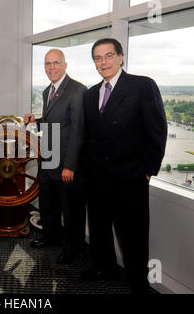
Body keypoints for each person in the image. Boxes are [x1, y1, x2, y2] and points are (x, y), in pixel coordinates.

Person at [82, 38, 167, 293]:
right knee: (99, 230)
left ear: (121, 57)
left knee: (133, 237)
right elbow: (88, 137)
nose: (103, 62)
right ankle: (104, 267)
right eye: (98, 58)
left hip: (130, 179)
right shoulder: (89, 94)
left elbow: (157, 131)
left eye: (109, 55)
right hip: (97, 178)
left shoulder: (142, 86)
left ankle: (139, 285)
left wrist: (148, 171)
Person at [24, 49, 87, 264]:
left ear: (65, 65)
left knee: (71, 210)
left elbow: (79, 130)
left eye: (56, 63)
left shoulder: (78, 90)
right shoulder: (46, 91)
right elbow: (56, 122)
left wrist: (70, 166)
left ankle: (73, 248)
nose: (51, 67)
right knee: (48, 204)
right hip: (48, 158)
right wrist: (37, 120)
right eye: (47, 64)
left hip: (67, 164)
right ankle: (51, 238)